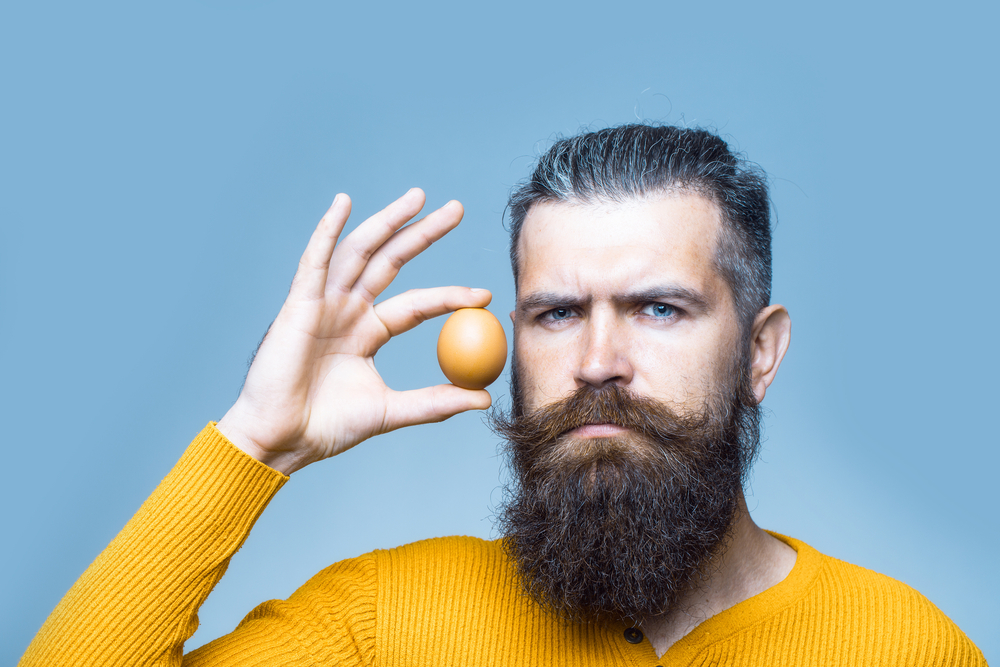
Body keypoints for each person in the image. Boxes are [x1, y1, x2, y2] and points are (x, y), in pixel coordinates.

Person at [20, 125, 985, 666]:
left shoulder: (904, 646)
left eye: (658, 308)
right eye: (557, 313)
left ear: (761, 353)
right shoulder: (384, 624)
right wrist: (254, 443)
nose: (599, 359)